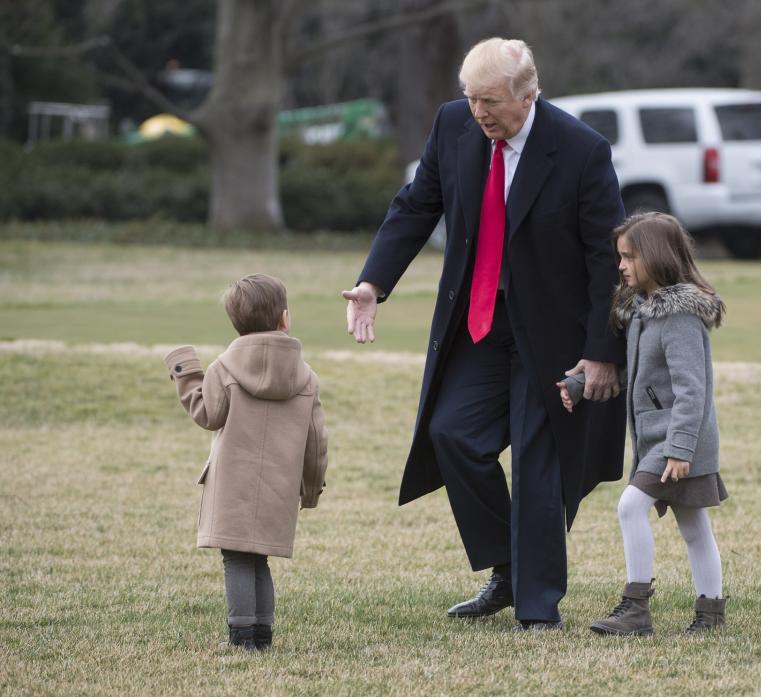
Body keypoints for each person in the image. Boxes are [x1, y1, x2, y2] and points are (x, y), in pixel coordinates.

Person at [342, 38, 626, 630]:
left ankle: (537, 607)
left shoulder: (580, 151)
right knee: (453, 435)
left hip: (554, 337)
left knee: (536, 461)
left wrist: (601, 354)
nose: (478, 113)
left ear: (528, 95)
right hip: (479, 324)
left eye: (490, 101)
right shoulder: (453, 126)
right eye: (471, 99)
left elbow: (608, 261)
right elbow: (417, 206)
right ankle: (507, 565)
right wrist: (374, 282)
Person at [559, 212, 729, 636]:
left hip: (676, 444)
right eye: (620, 257)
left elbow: (693, 391)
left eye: (629, 257)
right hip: (660, 440)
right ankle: (710, 615)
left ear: (656, 256)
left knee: (630, 507)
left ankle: (636, 609)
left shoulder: (679, 318)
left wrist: (680, 448)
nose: (621, 266)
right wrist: (582, 385)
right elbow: (636, 377)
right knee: (693, 527)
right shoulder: (642, 313)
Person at [164, 273, 328, 650]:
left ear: (236, 323)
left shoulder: (224, 368)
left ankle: (241, 638)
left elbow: (208, 415)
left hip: (233, 485)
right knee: (259, 562)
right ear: (284, 319)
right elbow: (316, 441)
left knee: (237, 560)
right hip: (278, 487)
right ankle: (262, 635)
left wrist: (185, 372)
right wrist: (311, 489)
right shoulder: (307, 378)